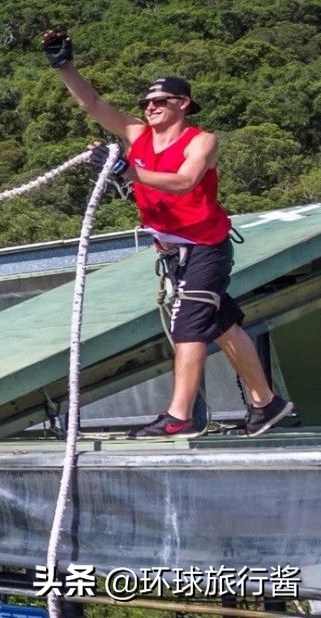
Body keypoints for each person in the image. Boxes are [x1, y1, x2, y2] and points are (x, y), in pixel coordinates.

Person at [40, 29, 292, 439]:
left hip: (205, 248)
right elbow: (93, 103)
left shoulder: (201, 141)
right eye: (146, 102)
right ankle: (267, 403)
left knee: (188, 324)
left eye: (160, 101)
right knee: (222, 325)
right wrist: (63, 65)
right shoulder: (136, 134)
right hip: (173, 252)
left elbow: (183, 182)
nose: (151, 107)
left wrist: (126, 171)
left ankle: (179, 415)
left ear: (183, 104)